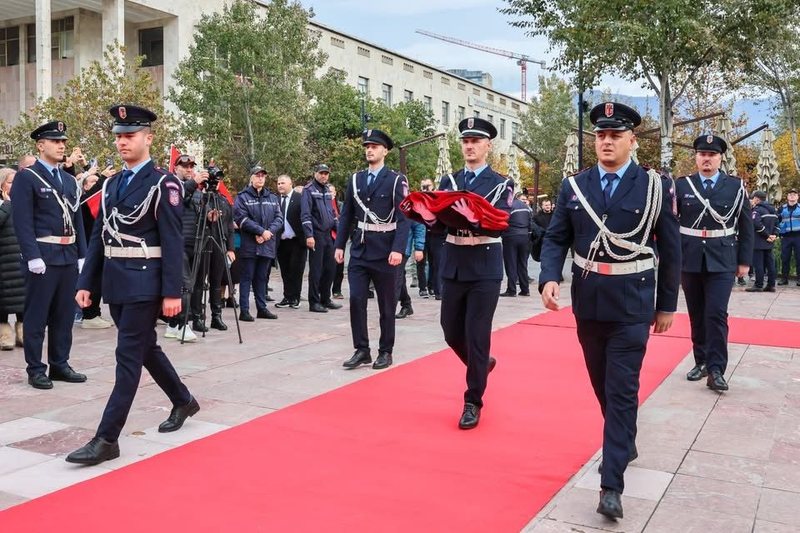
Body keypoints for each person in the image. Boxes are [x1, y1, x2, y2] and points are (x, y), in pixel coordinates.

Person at [539, 102, 681, 520]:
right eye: (600, 135)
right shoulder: (574, 187)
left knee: (621, 389)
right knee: (601, 383)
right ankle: (624, 437)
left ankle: (611, 484)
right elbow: (555, 238)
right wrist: (550, 276)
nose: (606, 141)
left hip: (633, 301)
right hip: (589, 299)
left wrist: (667, 304)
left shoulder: (655, 186)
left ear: (631, 141)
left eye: (615, 135)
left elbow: (671, 250)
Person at [67, 105, 199, 465]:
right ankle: (184, 400)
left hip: (145, 281)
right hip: (116, 281)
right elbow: (99, 236)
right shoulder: (112, 184)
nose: (122, 141)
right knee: (145, 349)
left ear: (148, 138)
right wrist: (86, 282)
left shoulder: (163, 183)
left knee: (127, 358)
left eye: (130, 135)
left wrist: (173, 292)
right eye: (119, 136)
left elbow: (172, 241)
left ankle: (107, 438)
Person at [11, 121, 87, 390]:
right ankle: (35, 369)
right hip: (42, 256)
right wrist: (32, 255)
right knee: (36, 316)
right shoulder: (27, 177)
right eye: (55, 141)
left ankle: (60, 364)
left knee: (64, 315)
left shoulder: (67, 180)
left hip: (67, 255)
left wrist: (82, 255)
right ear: (40, 145)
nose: (61, 145)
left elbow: (77, 219)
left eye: (63, 141)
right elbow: (22, 221)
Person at [678, 134, 753, 391]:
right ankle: (701, 361)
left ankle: (716, 369)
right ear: (696, 157)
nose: (706, 159)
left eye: (711, 155)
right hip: (689, 258)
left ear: (720, 158)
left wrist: (744, 260)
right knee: (697, 313)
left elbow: (745, 224)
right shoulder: (682, 185)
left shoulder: (735, 186)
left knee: (716, 313)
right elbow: (669, 224)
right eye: (702, 154)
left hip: (722, 259)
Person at [335, 129, 409, 370]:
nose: (369, 149)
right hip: (360, 249)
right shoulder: (355, 179)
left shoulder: (396, 180)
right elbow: (346, 215)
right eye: (367, 146)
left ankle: (385, 350)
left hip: (386, 251)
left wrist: (398, 248)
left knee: (387, 305)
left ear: (384, 151)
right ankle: (362, 349)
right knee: (357, 300)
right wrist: (340, 245)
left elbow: (404, 217)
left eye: (374, 146)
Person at [233, 166, 283, 321]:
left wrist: (268, 233)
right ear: (252, 178)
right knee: (246, 278)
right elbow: (241, 219)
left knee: (262, 278)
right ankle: (245, 311)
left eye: (263, 176)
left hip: (267, 243)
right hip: (249, 244)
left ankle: (262, 308)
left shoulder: (272, 197)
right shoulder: (242, 197)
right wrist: (260, 232)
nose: (261, 178)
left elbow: (279, 218)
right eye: (257, 175)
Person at [301, 164, 341, 313]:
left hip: (328, 234)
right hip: (316, 234)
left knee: (330, 268)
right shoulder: (308, 190)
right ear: (315, 173)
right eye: (321, 173)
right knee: (316, 270)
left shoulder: (326, 190)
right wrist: (309, 235)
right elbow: (305, 214)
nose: (324, 176)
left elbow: (332, 213)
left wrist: (339, 230)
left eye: (326, 173)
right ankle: (314, 302)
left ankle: (326, 298)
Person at [0, 168, 25, 350]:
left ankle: (23, 331)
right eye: (9, 182)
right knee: (4, 299)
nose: (13, 186)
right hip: (3, 261)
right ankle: (4, 332)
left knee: (23, 299)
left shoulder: (23, 202)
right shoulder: (5, 204)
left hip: (20, 257)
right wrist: (7, 205)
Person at [275, 174, 306, 309]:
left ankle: (295, 297)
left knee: (296, 270)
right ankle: (287, 296)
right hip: (282, 242)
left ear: (290, 184)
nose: (280, 186)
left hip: (297, 241)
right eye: (278, 183)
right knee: (285, 270)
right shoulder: (275, 200)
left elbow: (306, 217)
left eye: (282, 183)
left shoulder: (300, 198)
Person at [747, 190, 778, 292]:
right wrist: (773, 235)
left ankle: (758, 285)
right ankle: (771, 285)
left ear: (756, 199)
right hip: (769, 242)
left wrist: (766, 235)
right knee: (770, 264)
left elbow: (756, 224)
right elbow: (777, 224)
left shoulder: (757, 210)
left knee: (759, 264)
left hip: (759, 242)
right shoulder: (773, 210)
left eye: (752, 198)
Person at [501, 195, 532, 296]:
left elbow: (503, 221)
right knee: (523, 263)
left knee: (511, 263)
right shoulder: (525, 206)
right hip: (524, 236)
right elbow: (530, 222)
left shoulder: (508, 206)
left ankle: (511, 289)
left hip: (511, 236)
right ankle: (525, 289)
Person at [395, 219, 426, 318]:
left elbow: (419, 225)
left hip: (403, 249)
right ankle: (406, 304)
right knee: (398, 277)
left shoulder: (407, 205)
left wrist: (419, 248)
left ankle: (391, 308)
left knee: (396, 277)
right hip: (385, 248)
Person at [777, 187, 800, 285]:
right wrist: (778, 233)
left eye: (794, 194)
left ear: (798, 197)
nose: (792, 196)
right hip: (786, 237)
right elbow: (776, 221)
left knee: (799, 258)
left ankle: (799, 279)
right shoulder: (782, 208)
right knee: (785, 258)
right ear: (787, 197)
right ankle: (784, 279)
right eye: (790, 194)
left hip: (798, 237)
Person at [330, 184, 346, 299]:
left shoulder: (341, 205)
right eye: (328, 191)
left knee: (339, 265)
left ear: (335, 193)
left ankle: (337, 290)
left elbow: (346, 220)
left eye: (332, 191)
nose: (330, 193)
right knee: (328, 266)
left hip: (339, 238)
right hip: (328, 237)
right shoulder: (323, 204)